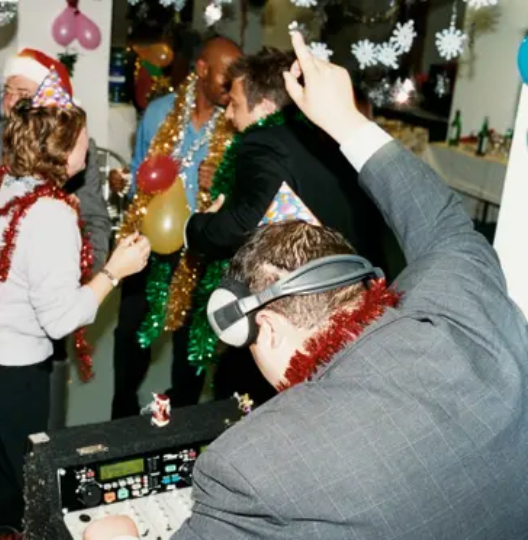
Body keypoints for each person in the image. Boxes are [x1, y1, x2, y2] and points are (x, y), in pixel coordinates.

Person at [84, 30, 528, 539]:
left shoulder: (254, 468)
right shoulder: (471, 310)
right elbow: (444, 223)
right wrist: (347, 121)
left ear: (264, 327)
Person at [0, 69, 151, 536]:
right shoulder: (51, 212)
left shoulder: (2, 182)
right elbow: (60, 320)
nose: (89, 148)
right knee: (34, 485)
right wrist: (115, 270)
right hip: (2, 377)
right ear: (60, 149)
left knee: (5, 470)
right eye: (84, 140)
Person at [184, 47, 400, 406]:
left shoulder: (262, 142)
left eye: (236, 103)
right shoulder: (328, 138)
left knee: (248, 406)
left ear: (266, 107)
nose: (229, 114)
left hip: (297, 318)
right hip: (356, 299)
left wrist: (197, 227)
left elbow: (241, 224)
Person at [0, 48, 110, 457]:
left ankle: (45, 444)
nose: (11, 101)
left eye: (21, 91)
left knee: (40, 389)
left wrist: (84, 278)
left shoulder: (76, 149)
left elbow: (96, 221)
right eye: (7, 91)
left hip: (53, 287)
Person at [106, 35, 242, 420]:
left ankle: (181, 416)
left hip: (200, 245)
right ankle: (122, 412)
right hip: (148, 241)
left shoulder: (237, 126)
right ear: (201, 69)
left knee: (191, 345)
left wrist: (224, 184)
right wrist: (124, 181)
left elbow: (247, 197)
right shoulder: (159, 112)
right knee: (130, 333)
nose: (234, 85)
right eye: (226, 75)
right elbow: (140, 172)